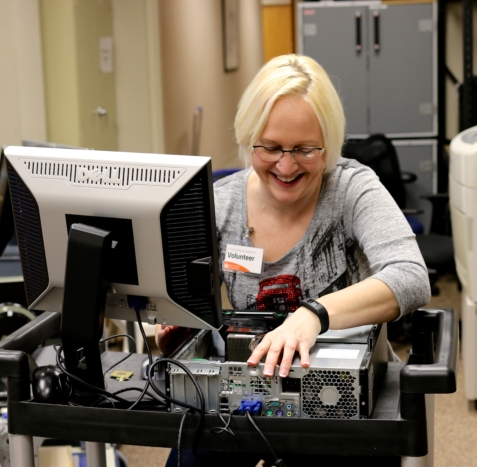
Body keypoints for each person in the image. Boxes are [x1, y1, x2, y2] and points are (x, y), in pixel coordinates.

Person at [157, 54, 430, 465]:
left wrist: (313, 314)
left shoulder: (352, 189)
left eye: (304, 149)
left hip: (342, 400)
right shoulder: (221, 203)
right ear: (250, 137)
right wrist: (180, 322)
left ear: (329, 144)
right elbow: (179, 287)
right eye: (270, 147)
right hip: (252, 389)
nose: (286, 166)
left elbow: (411, 277)